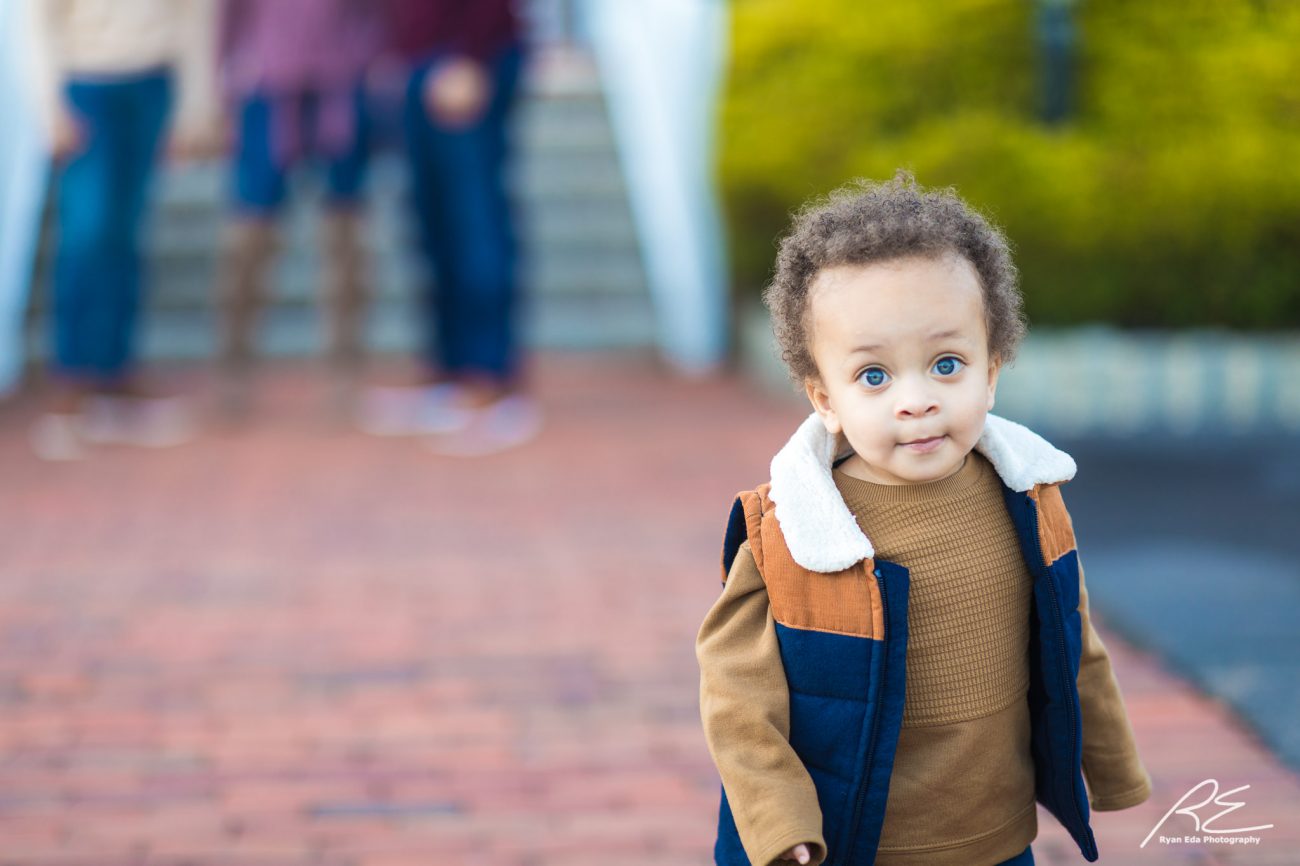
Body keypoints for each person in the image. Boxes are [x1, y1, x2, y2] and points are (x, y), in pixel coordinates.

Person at [696, 173, 1151, 866]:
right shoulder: (792, 532)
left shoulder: (1029, 499)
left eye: (946, 364)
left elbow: (1074, 642)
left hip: (994, 836)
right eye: (874, 377)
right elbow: (738, 699)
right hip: (850, 843)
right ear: (825, 397)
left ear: (991, 372)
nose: (916, 401)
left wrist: (1112, 767)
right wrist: (779, 823)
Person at [25, 0, 218, 460]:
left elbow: (195, 16)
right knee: (88, 233)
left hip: (152, 80)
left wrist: (196, 104)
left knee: (127, 232)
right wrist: (48, 106)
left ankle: (114, 373)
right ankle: (72, 379)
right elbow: (37, 22)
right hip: (88, 82)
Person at [358, 0, 539, 457]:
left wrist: (470, 56)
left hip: (466, 56)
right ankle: (451, 368)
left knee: (474, 217)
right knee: (434, 220)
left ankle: (488, 374)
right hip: (422, 58)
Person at [215, 0, 382, 415]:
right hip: (268, 85)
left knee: (347, 237)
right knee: (249, 237)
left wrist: (371, 65)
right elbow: (227, 17)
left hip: (340, 84)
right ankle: (234, 368)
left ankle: (346, 370)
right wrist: (220, 87)